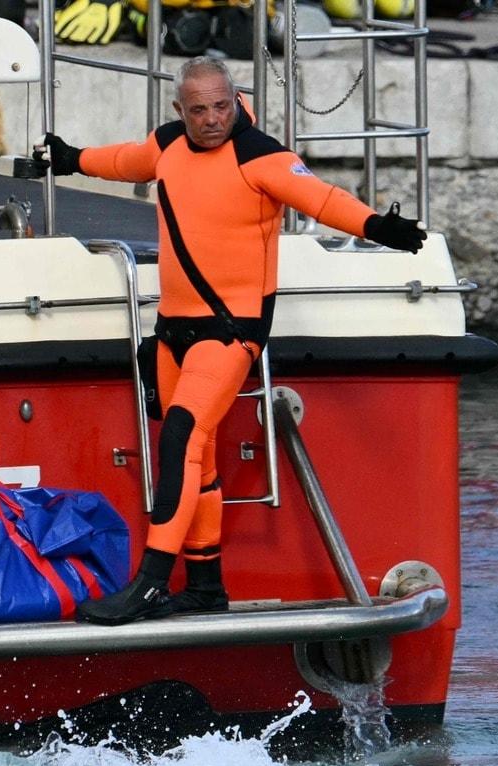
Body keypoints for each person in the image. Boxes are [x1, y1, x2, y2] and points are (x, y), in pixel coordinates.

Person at [45, 57, 425, 626]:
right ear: (181, 110)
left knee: (179, 438)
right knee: (196, 465)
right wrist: (71, 158)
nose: (212, 118)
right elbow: (125, 161)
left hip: (231, 332)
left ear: (234, 98)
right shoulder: (169, 144)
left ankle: (150, 583)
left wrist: (380, 227)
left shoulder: (260, 156)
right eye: (199, 109)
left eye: (221, 105)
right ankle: (204, 586)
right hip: (173, 329)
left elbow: (322, 199)